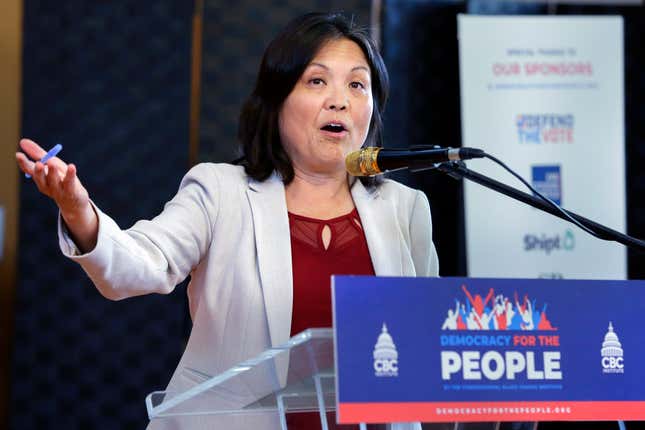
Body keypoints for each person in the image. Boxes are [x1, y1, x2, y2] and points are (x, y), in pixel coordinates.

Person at [15, 12, 439, 430]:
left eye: (357, 84)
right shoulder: (220, 192)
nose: (340, 99)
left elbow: (427, 355)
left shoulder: (404, 209)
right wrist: (78, 210)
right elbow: (138, 264)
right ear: (276, 100)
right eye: (317, 80)